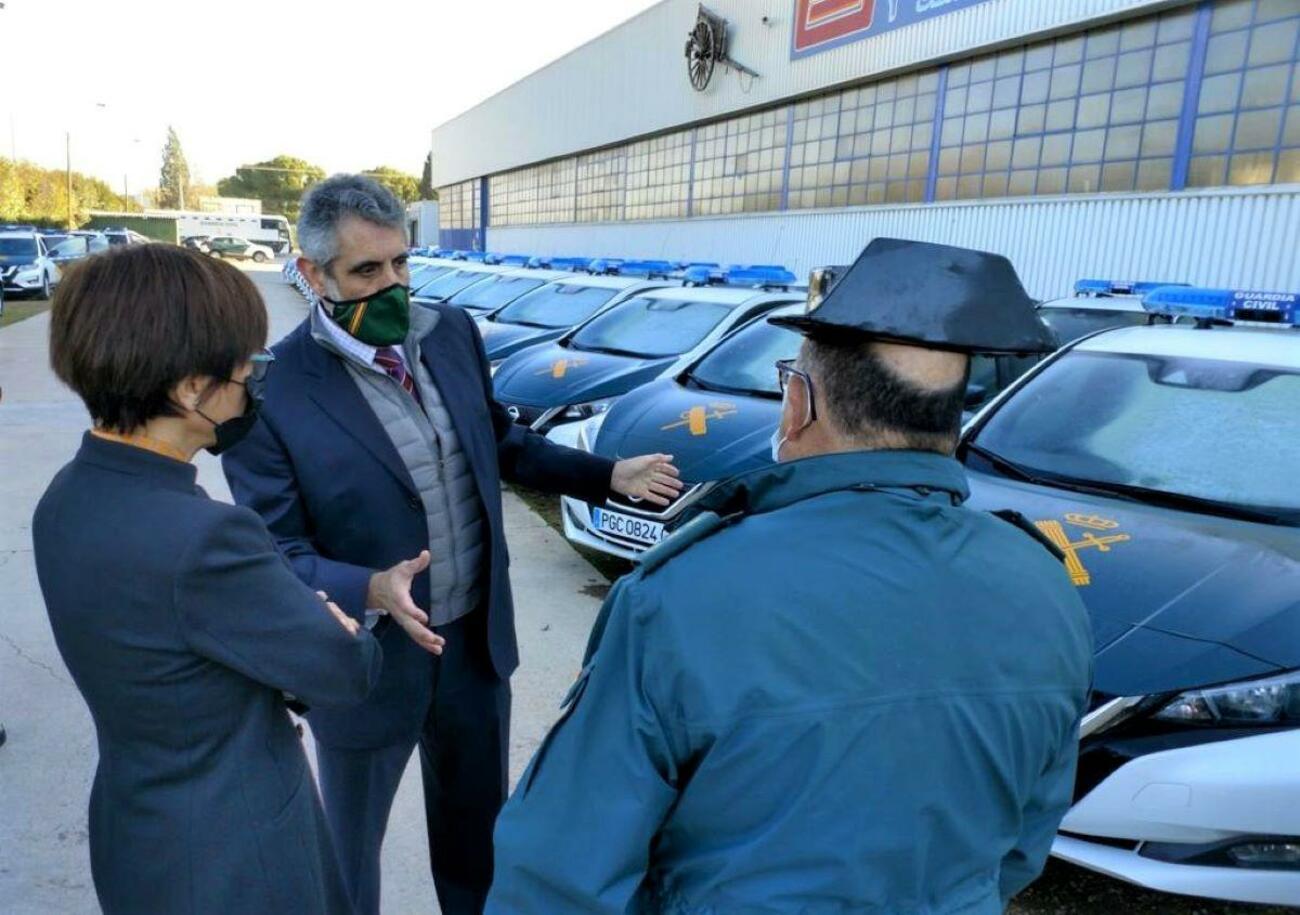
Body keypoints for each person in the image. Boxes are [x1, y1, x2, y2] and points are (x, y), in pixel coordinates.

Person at [487, 238, 1094, 912]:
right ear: (950, 423)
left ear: (798, 404)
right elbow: (1020, 843)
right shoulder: (1045, 585)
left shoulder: (683, 595)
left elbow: (559, 870)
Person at [222, 174, 682, 915]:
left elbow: (499, 441)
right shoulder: (273, 392)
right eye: (367, 271)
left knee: (477, 852)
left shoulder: (451, 334)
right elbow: (277, 550)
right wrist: (367, 587)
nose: (394, 284)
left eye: (401, 263)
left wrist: (607, 474)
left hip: (472, 653)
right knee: (347, 862)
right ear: (311, 276)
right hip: (365, 665)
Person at [32, 244, 382, 915]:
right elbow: (343, 668)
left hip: (139, 833)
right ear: (192, 388)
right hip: (235, 855)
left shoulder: (66, 496)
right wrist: (321, 616)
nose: (253, 376)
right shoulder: (208, 537)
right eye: (245, 363)